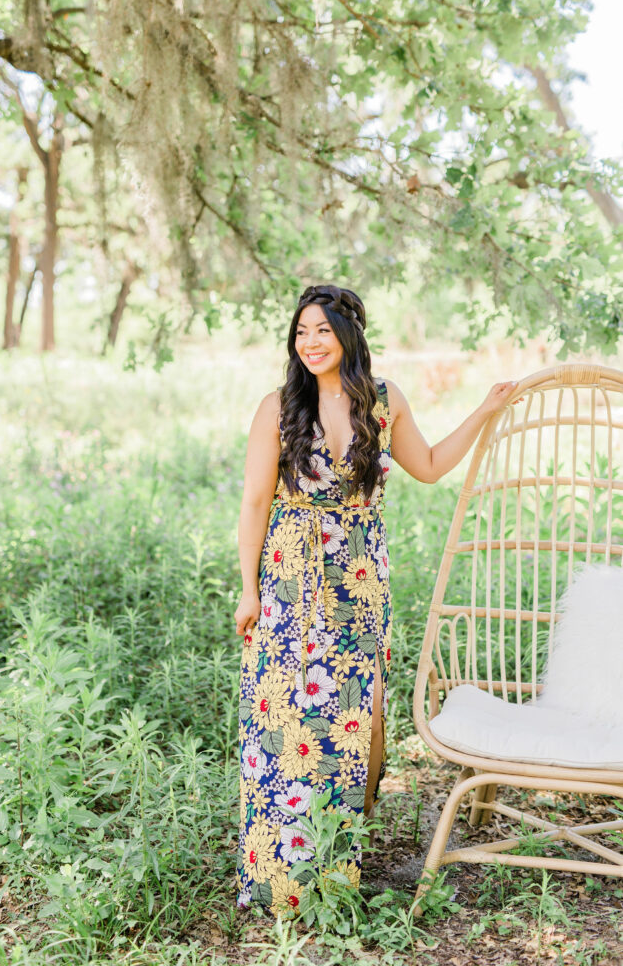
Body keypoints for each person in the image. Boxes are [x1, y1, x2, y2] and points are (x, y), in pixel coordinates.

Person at [234, 284, 518, 915]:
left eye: (322, 331)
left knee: (353, 722)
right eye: (301, 332)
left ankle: (338, 871)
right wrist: (249, 589)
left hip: (360, 583)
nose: (310, 343)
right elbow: (255, 501)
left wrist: (484, 409)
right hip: (290, 579)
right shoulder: (277, 407)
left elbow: (432, 464)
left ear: (348, 336)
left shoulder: (383, 403)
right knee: (288, 719)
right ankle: (280, 878)